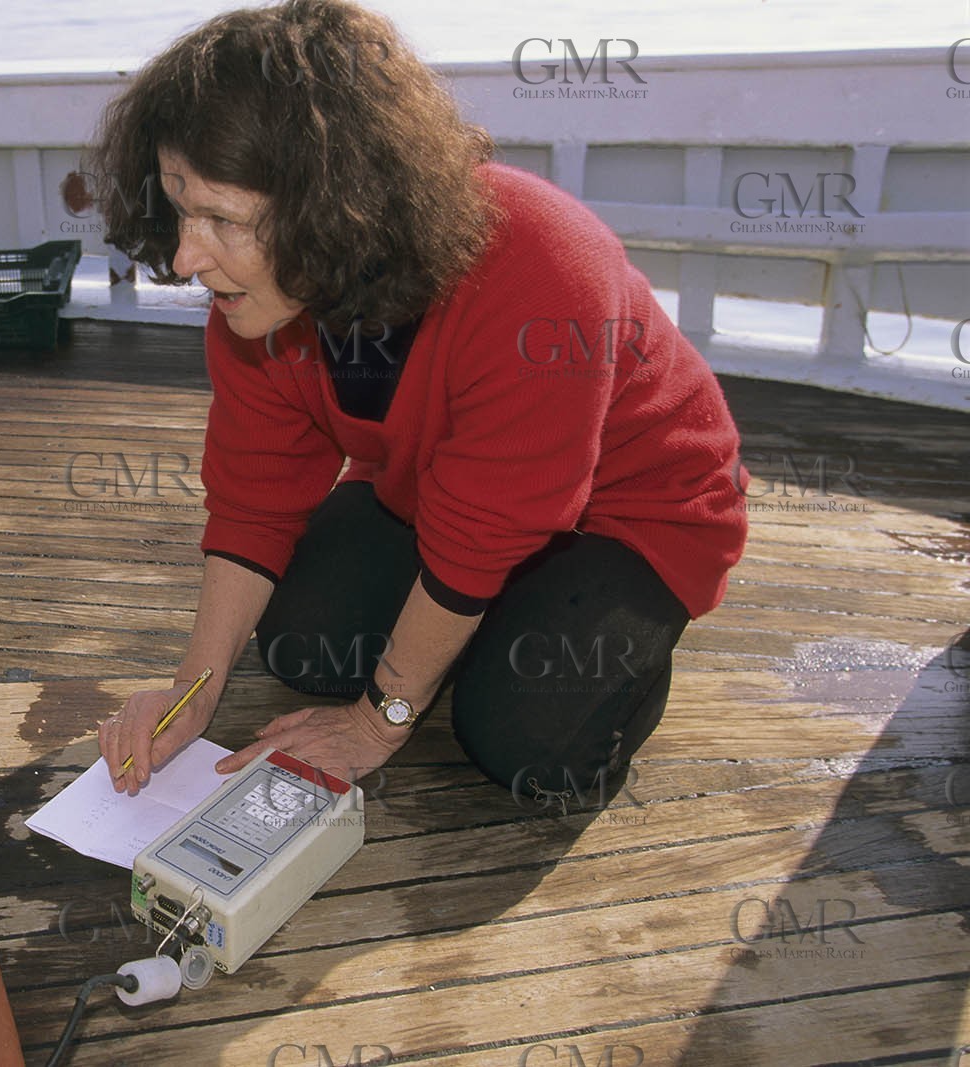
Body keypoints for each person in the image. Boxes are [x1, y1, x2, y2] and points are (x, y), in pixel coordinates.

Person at [86, 0, 748, 807]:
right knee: (304, 643)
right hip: (433, 491)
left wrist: (379, 721)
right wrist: (191, 694)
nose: (188, 256)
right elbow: (254, 500)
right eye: (181, 206)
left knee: (529, 742)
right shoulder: (254, 302)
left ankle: (587, 654)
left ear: (333, 208)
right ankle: (472, 626)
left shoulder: (541, 266)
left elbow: (483, 531)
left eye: (221, 219)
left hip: (632, 513)